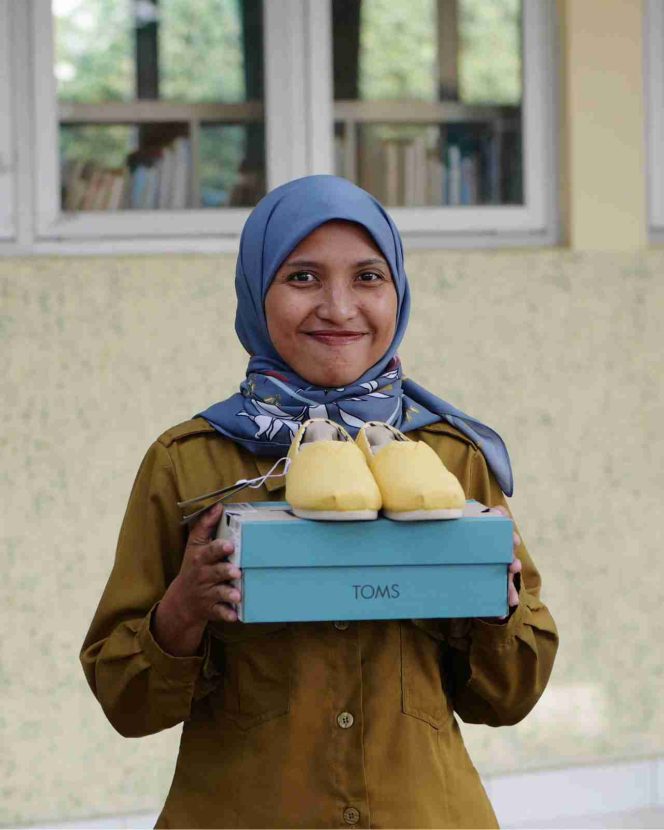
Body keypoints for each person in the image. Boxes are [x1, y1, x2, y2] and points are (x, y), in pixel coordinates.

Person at [80, 175, 558, 829]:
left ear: (399, 293)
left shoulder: (448, 460)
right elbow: (125, 704)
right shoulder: (187, 462)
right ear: (256, 290)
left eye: (368, 277)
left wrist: (497, 605)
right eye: (302, 277)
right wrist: (181, 613)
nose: (338, 308)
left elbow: (509, 699)